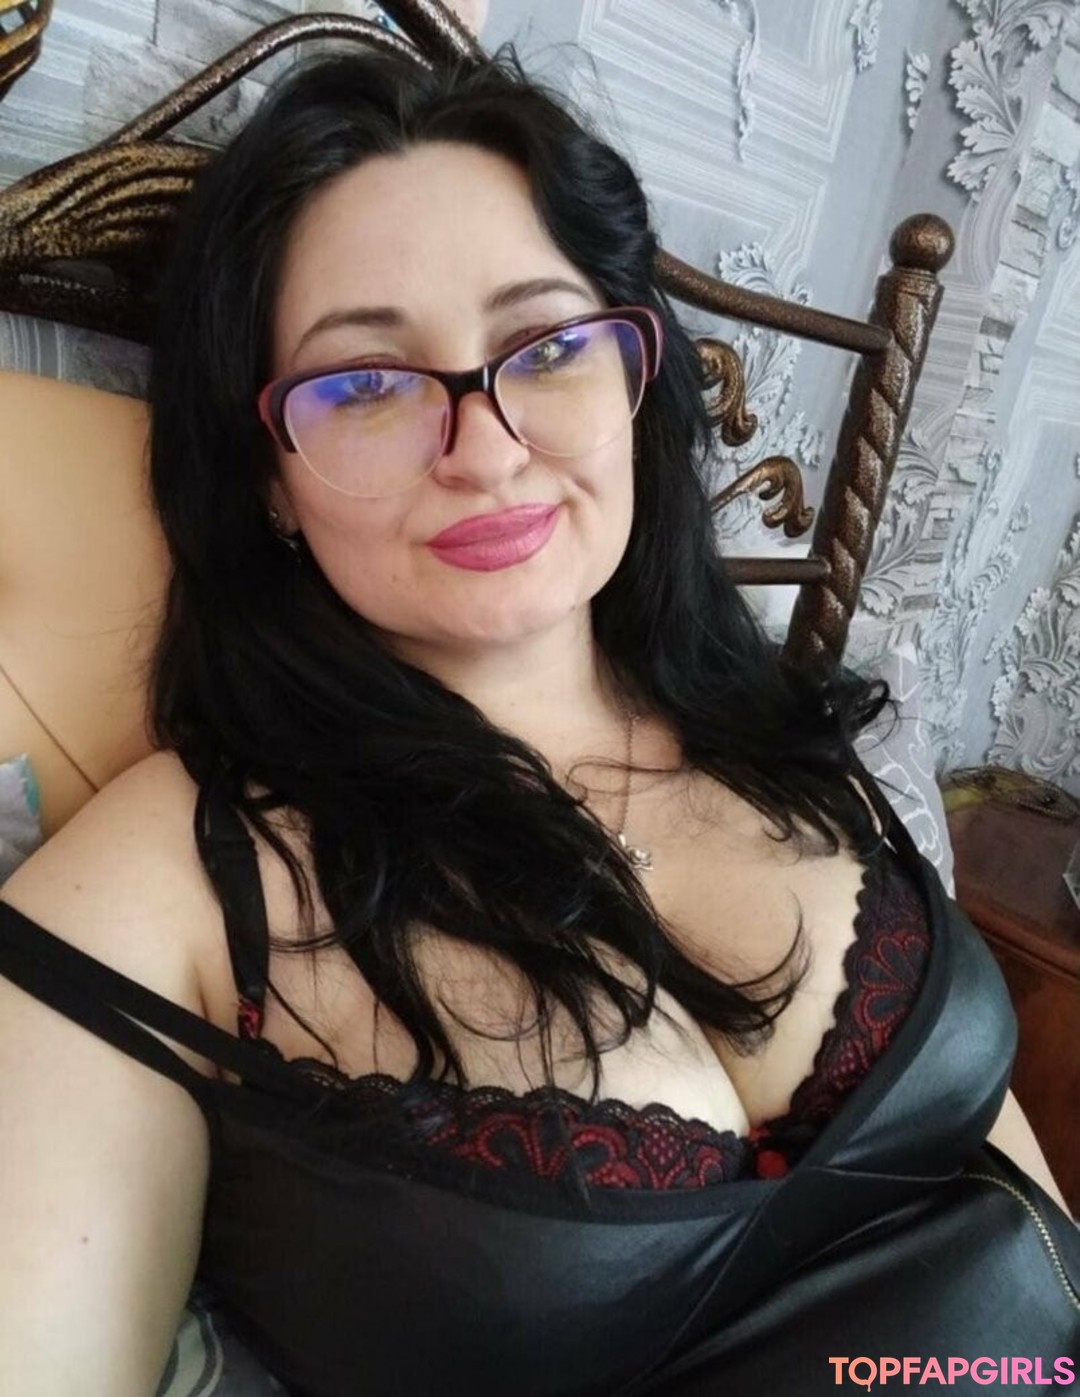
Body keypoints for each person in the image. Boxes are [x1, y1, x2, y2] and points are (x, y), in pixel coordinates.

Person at [0, 44, 1076, 1397]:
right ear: (268, 475)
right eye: (367, 383)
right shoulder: (159, 888)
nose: (489, 448)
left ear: (633, 379)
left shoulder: (786, 726)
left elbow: (1020, 1207)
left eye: (550, 346)